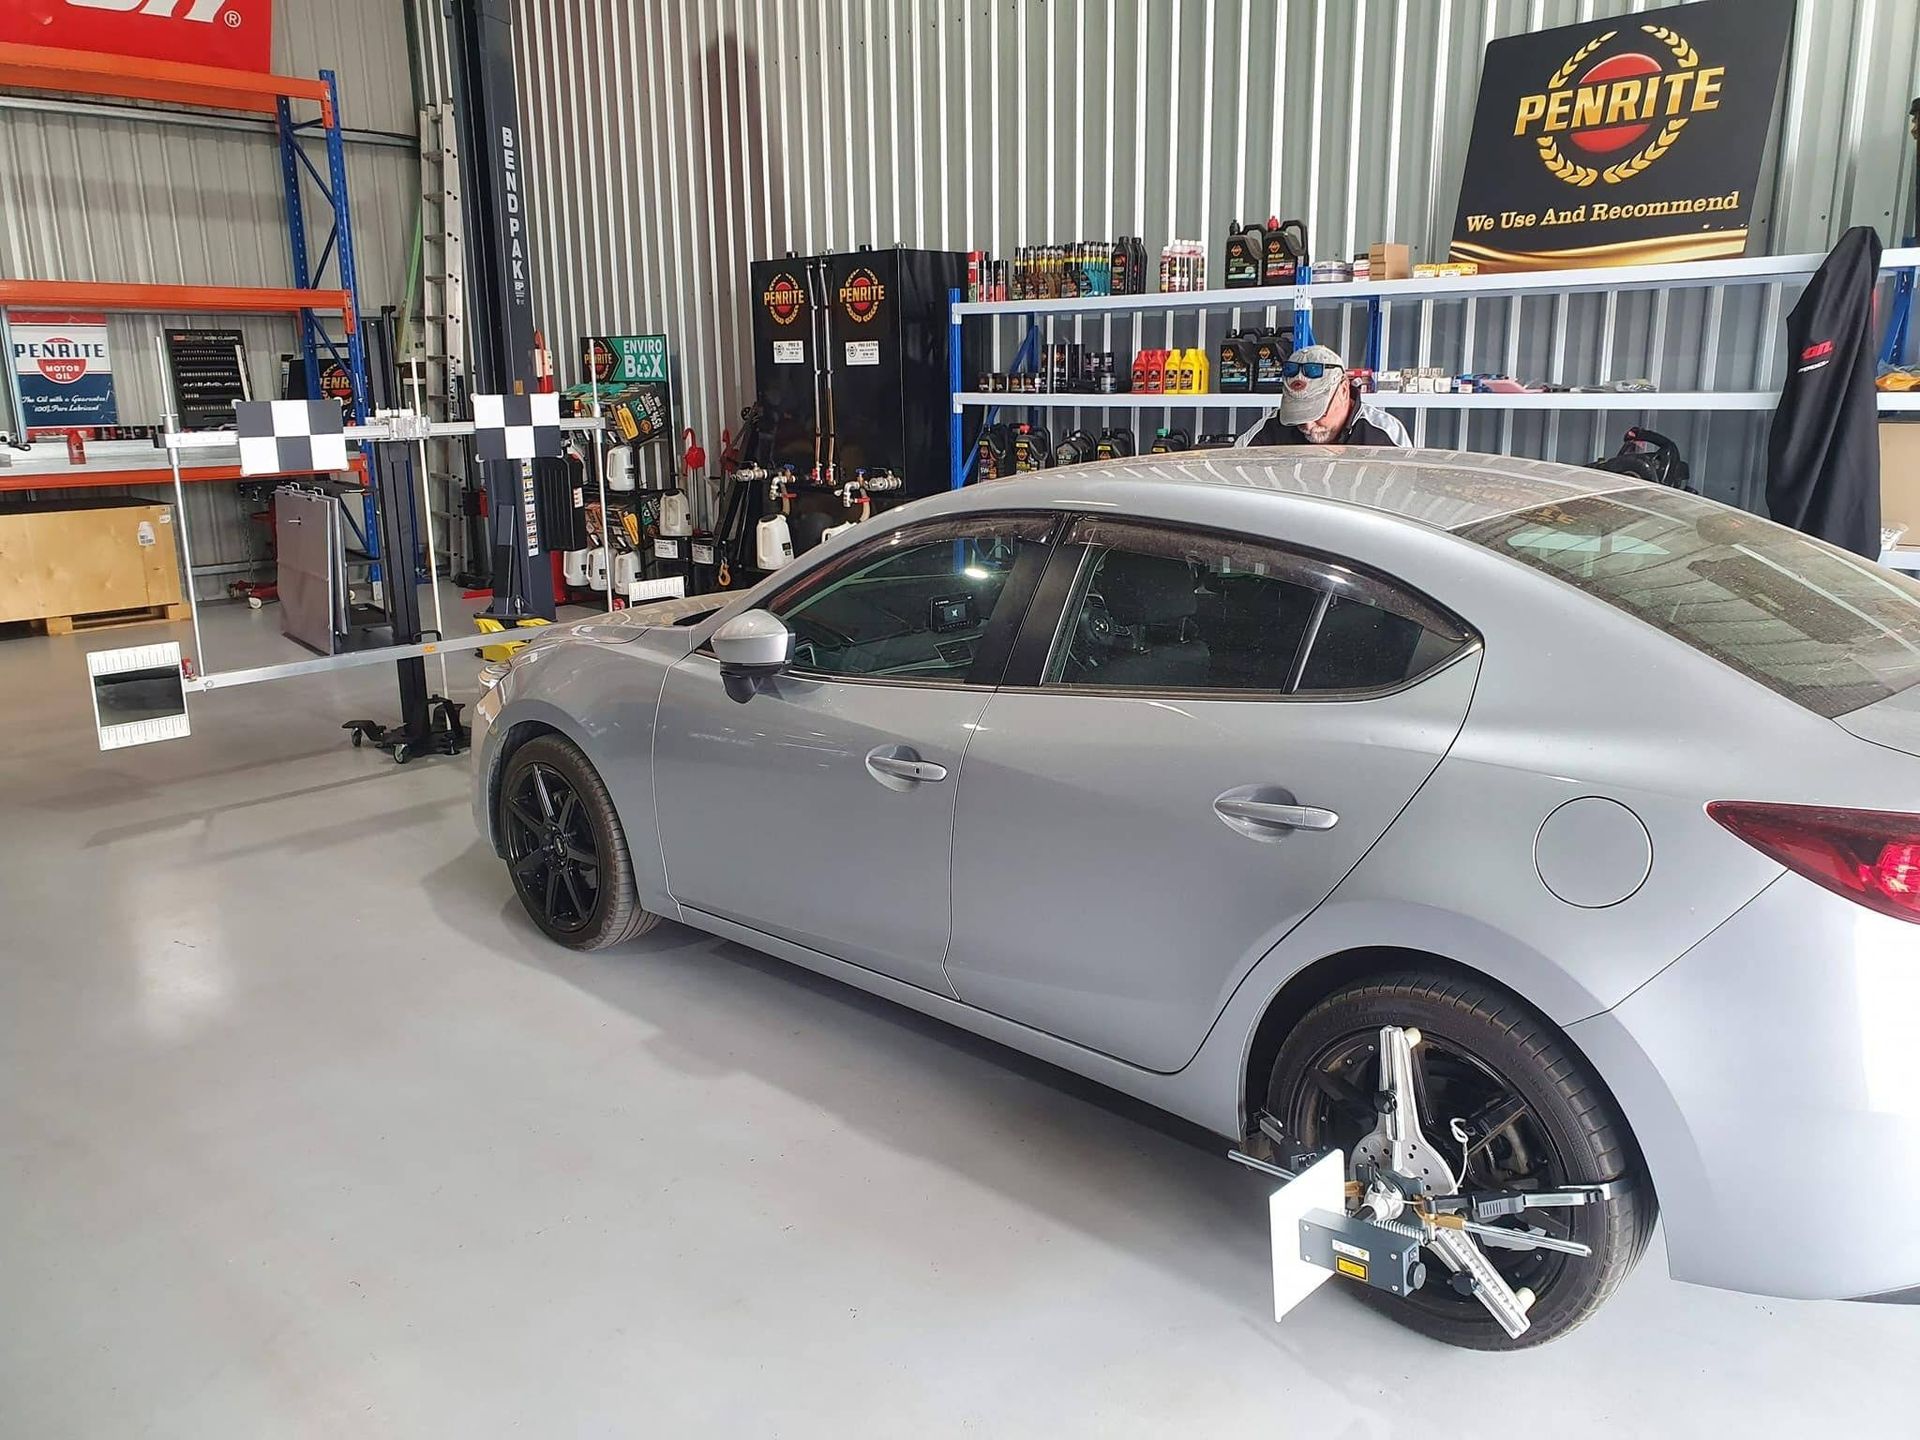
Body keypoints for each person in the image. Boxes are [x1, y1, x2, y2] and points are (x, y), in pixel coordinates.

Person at [1235, 344, 1411, 447]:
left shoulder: (1383, 434)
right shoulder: (1272, 428)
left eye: (1317, 412)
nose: (1308, 426)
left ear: (1343, 390)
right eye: (1298, 414)